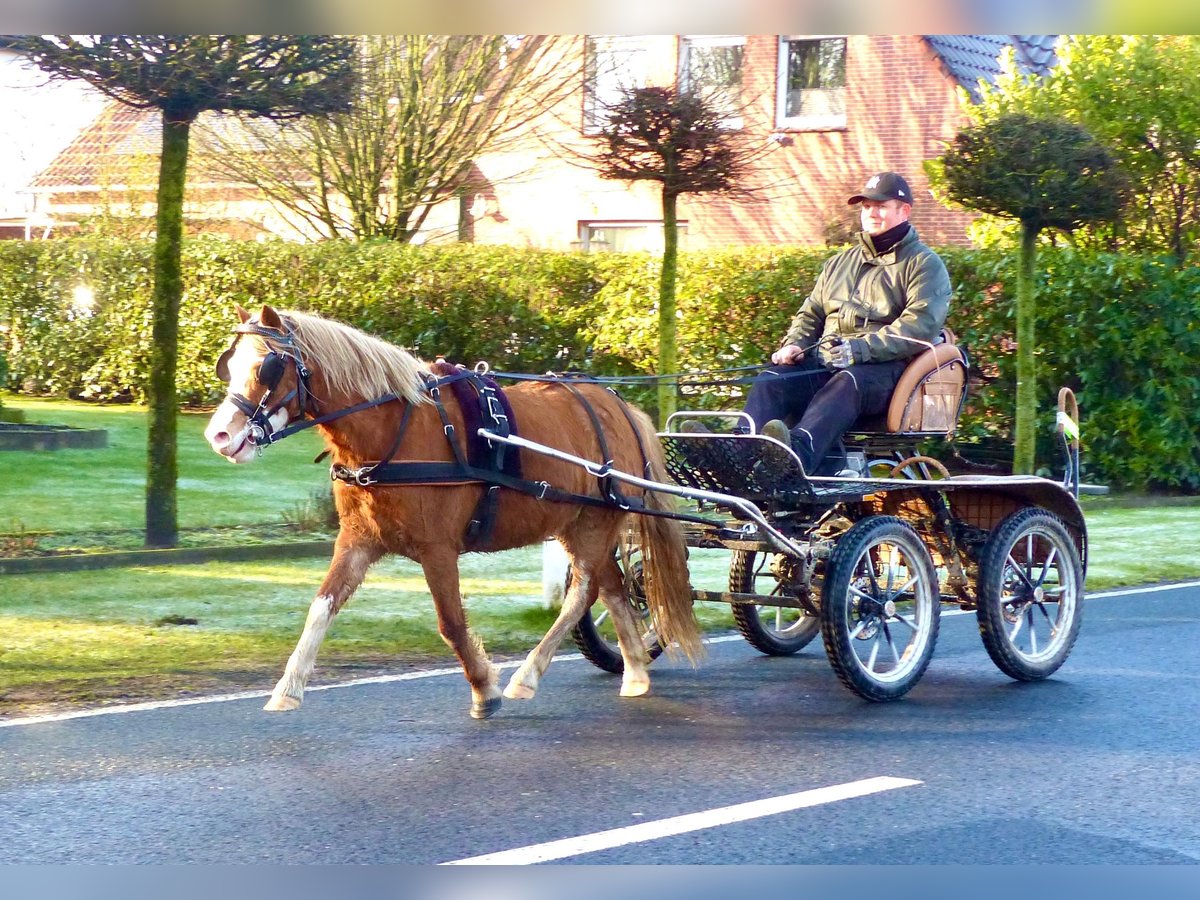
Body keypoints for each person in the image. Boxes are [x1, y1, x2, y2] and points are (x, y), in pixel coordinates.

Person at [741, 171, 952, 475]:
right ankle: (737, 451)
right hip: (825, 364)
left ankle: (792, 460)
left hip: (886, 374)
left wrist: (858, 349)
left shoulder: (924, 264)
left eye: (881, 206)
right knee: (773, 379)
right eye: (866, 206)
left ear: (904, 211)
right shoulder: (839, 263)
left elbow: (920, 325)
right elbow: (811, 312)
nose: (871, 213)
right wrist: (795, 343)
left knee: (847, 382)